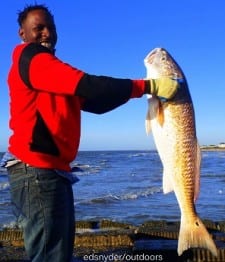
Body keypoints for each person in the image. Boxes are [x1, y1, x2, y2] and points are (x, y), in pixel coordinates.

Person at [2, 4, 179, 262]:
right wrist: (147, 85)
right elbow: (88, 85)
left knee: (59, 253)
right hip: (36, 171)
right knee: (50, 255)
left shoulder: (52, 72)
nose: (46, 33)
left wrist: (142, 93)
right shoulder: (31, 58)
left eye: (50, 27)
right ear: (22, 33)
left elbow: (96, 102)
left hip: (53, 171)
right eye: (38, 28)